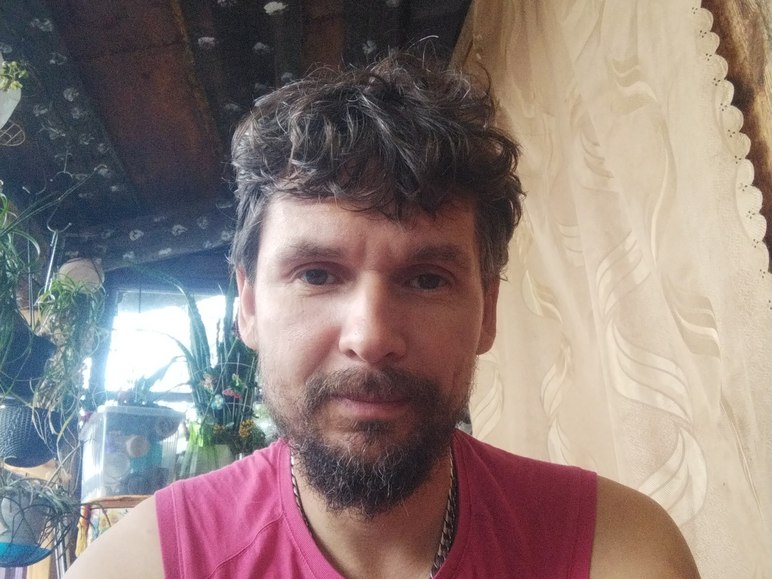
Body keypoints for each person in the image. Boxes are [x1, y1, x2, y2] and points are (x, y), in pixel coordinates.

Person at [65, 52, 700, 578]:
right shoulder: (141, 566)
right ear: (250, 305)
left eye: (427, 279)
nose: (370, 338)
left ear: (487, 312)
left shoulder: (618, 554)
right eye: (316, 274)